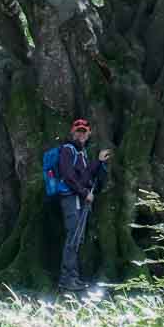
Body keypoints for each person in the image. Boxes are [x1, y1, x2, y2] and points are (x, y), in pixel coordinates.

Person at [57, 117, 111, 291]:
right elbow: (67, 175)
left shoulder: (83, 153)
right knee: (73, 237)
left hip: (79, 199)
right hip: (71, 198)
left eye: (84, 131)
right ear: (73, 132)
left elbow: (86, 174)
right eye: (78, 131)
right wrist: (84, 193)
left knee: (77, 238)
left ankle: (74, 277)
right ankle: (66, 279)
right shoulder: (68, 150)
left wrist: (99, 161)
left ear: (88, 134)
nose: (81, 134)